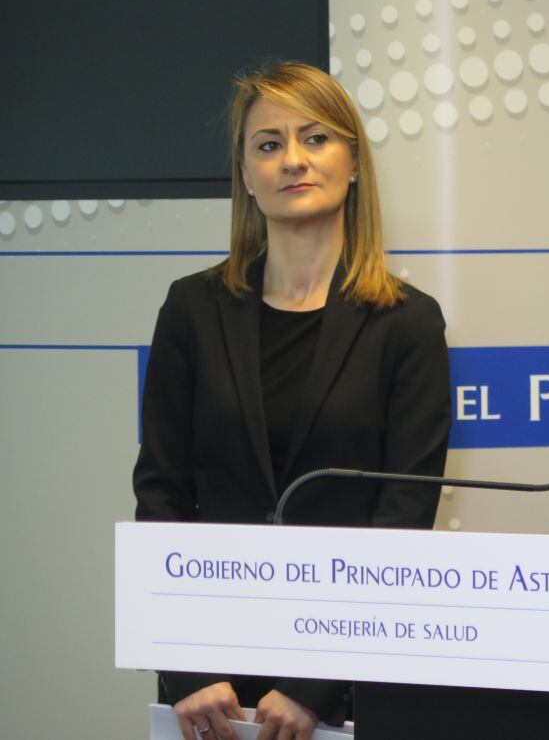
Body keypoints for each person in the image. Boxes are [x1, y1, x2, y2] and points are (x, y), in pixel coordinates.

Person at [133, 61, 451, 740]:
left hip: (343, 687)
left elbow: (402, 521)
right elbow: (161, 497)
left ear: (354, 162)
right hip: (206, 690)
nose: (293, 160)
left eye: (316, 138)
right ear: (246, 175)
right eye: (268, 144)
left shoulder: (408, 323)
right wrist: (186, 666)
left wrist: (314, 683)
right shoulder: (191, 308)